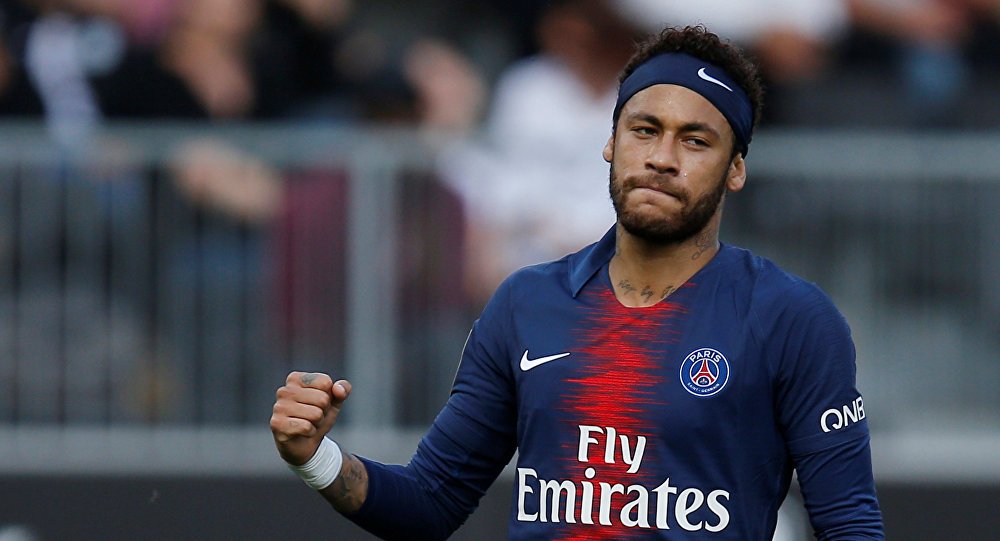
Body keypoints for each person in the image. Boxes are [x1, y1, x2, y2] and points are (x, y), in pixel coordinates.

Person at [269, 25, 884, 540]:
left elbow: (850, 524)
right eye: (644, 129)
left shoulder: (789, 318)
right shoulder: (526, 303)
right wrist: (316, 457)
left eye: (695, 140)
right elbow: (430, 500)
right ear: (611, 143)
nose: (662, 157)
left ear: (736, 170)